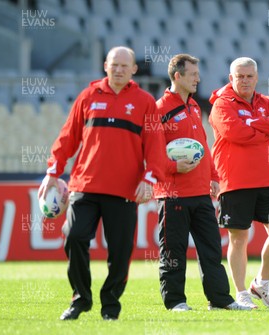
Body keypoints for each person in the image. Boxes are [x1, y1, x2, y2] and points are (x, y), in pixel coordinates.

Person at [42, 46, 166, 321]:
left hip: (125, 191)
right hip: (84, 186)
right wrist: (53, 171)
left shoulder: (145, 101)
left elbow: (155, 145)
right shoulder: (87, 96)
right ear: (105, 66)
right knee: (74, 237)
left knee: (120, 253)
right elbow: (67, 138)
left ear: (134, 69)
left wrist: (150, 177)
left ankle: (110, 305)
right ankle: (80, 299)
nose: (119, 69)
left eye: (125, 65)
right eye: (114, 64)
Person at [154, 54, 251, 312]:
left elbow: (203, 147)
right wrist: (174, 166)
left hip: (200, 193)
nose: (198, 78)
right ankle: (175, 301)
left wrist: (214, 177)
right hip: (172, 194)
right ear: (178, 76)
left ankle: (220, 300)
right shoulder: (159, 109)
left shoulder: (195, 107)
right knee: (173, 252)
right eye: (193, 74)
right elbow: (150, 154)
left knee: (210, 249)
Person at [208, 57, 269, 309]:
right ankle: (241, 291)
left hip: (268, 179)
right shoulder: (222, 104)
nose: (244, 80)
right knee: (238, 237)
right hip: (234, 179)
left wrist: (254, 122)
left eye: (249, 76)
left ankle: (262, 282)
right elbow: (235, 133)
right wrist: (266, 129)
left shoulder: (267, 102)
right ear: (231, 78)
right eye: (239, 76)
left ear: (256, 77)